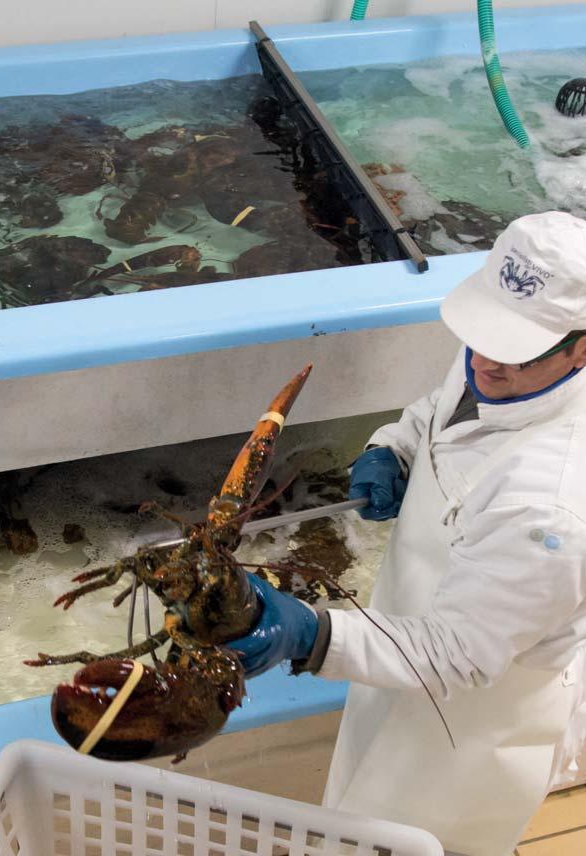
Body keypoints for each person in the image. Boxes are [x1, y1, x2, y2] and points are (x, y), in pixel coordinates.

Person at [231, 210, 586, 856]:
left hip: (469, 728)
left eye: (513, 349)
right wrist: (393, 447)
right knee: (348, 819)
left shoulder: (553, 505)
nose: (485, 361)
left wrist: (312, 633)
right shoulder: (497, 360)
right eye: (481, 334)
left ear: (580, 347)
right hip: (398, 648)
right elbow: (438, 408)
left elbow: (458, 652)